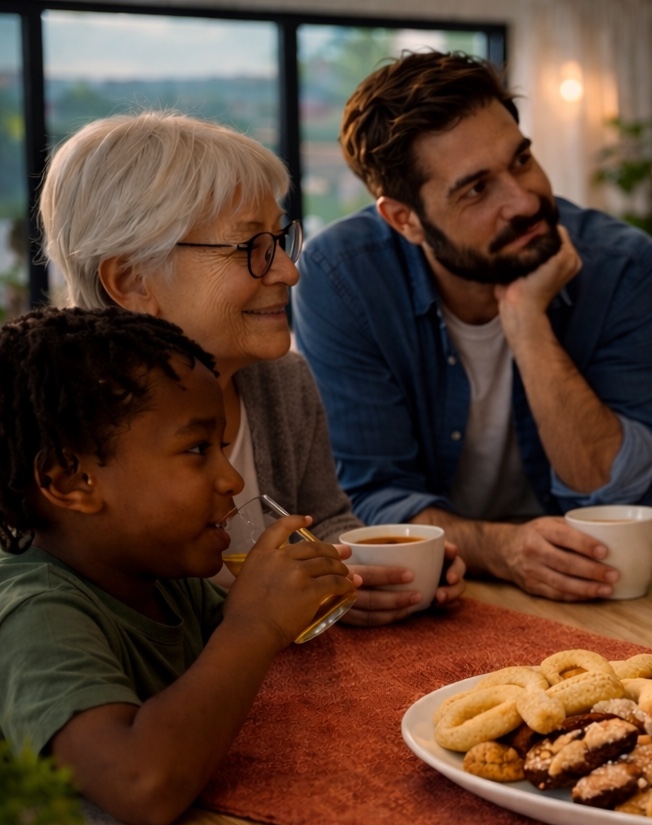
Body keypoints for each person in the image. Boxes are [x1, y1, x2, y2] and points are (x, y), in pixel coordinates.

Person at [38, 112, 465, 626]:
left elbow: (324, 519)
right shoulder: (64, 435)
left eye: (280, 241)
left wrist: (364, 571)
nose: (289, 270)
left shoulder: (281, 381)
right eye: (251, 248)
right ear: (132, 281)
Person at [292, 52, 652, 602]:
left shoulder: (618, 264)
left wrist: (527, 322)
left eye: (520, 161)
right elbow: (370, 496)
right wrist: (500, 548)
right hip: (444, 592)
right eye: (475, 189)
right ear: (405, 220)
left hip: (597, 584)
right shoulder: (343, 278)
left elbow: (626, 496)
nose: (523, 201)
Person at [0, 307, 357, 825]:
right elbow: (142, 784)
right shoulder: (36, 614)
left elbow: (233, 669)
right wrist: (254, 623)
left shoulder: (159, 581)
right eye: (196, 449)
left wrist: (287, 596)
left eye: (221, 446)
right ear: (71, 482)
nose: (232, 479)